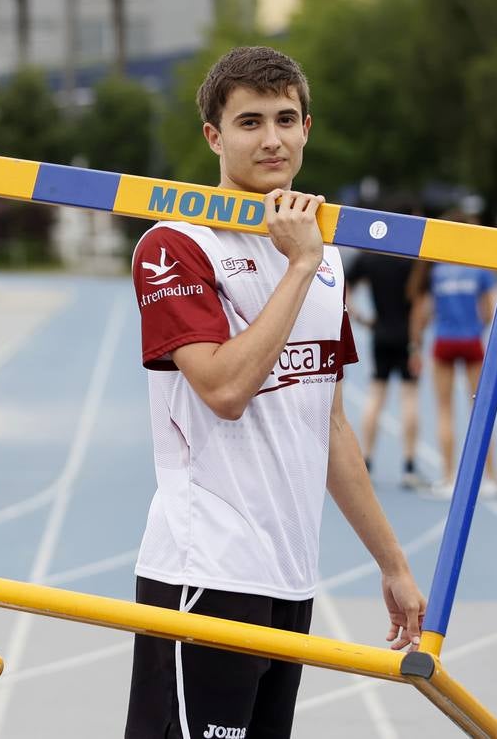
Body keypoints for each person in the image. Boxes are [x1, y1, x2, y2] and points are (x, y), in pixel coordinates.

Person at [125, 46, 426, 739]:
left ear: (305, 127)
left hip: (290, 574)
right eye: (249, 121)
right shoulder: (174, 245)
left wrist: (393, 564)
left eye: (285, 119)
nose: (271, 139)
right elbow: (224, 389)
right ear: (214, 136)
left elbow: (331, 427)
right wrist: (298, 265)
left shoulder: (325, 259)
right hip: (206, 569)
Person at [407, 233, 497, 499]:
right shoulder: (478, 269)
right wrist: (476, 328)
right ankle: (491, 477)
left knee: (444, 409)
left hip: (444, 341)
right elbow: (488, 311)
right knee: (480, 409)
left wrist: (416, 344)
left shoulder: (436, 270)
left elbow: (423, 312)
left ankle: (449, 476)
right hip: (471, 340)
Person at [348, 243, 427, 490]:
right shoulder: (414, 260)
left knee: (375, 395)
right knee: (409, 398)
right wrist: (415, 345)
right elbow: (420, 306)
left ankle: (367, 461)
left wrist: (358, 316)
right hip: (407, 335)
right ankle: (409, 465)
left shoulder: (371, 258)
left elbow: (344, 287)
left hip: (380, 333)